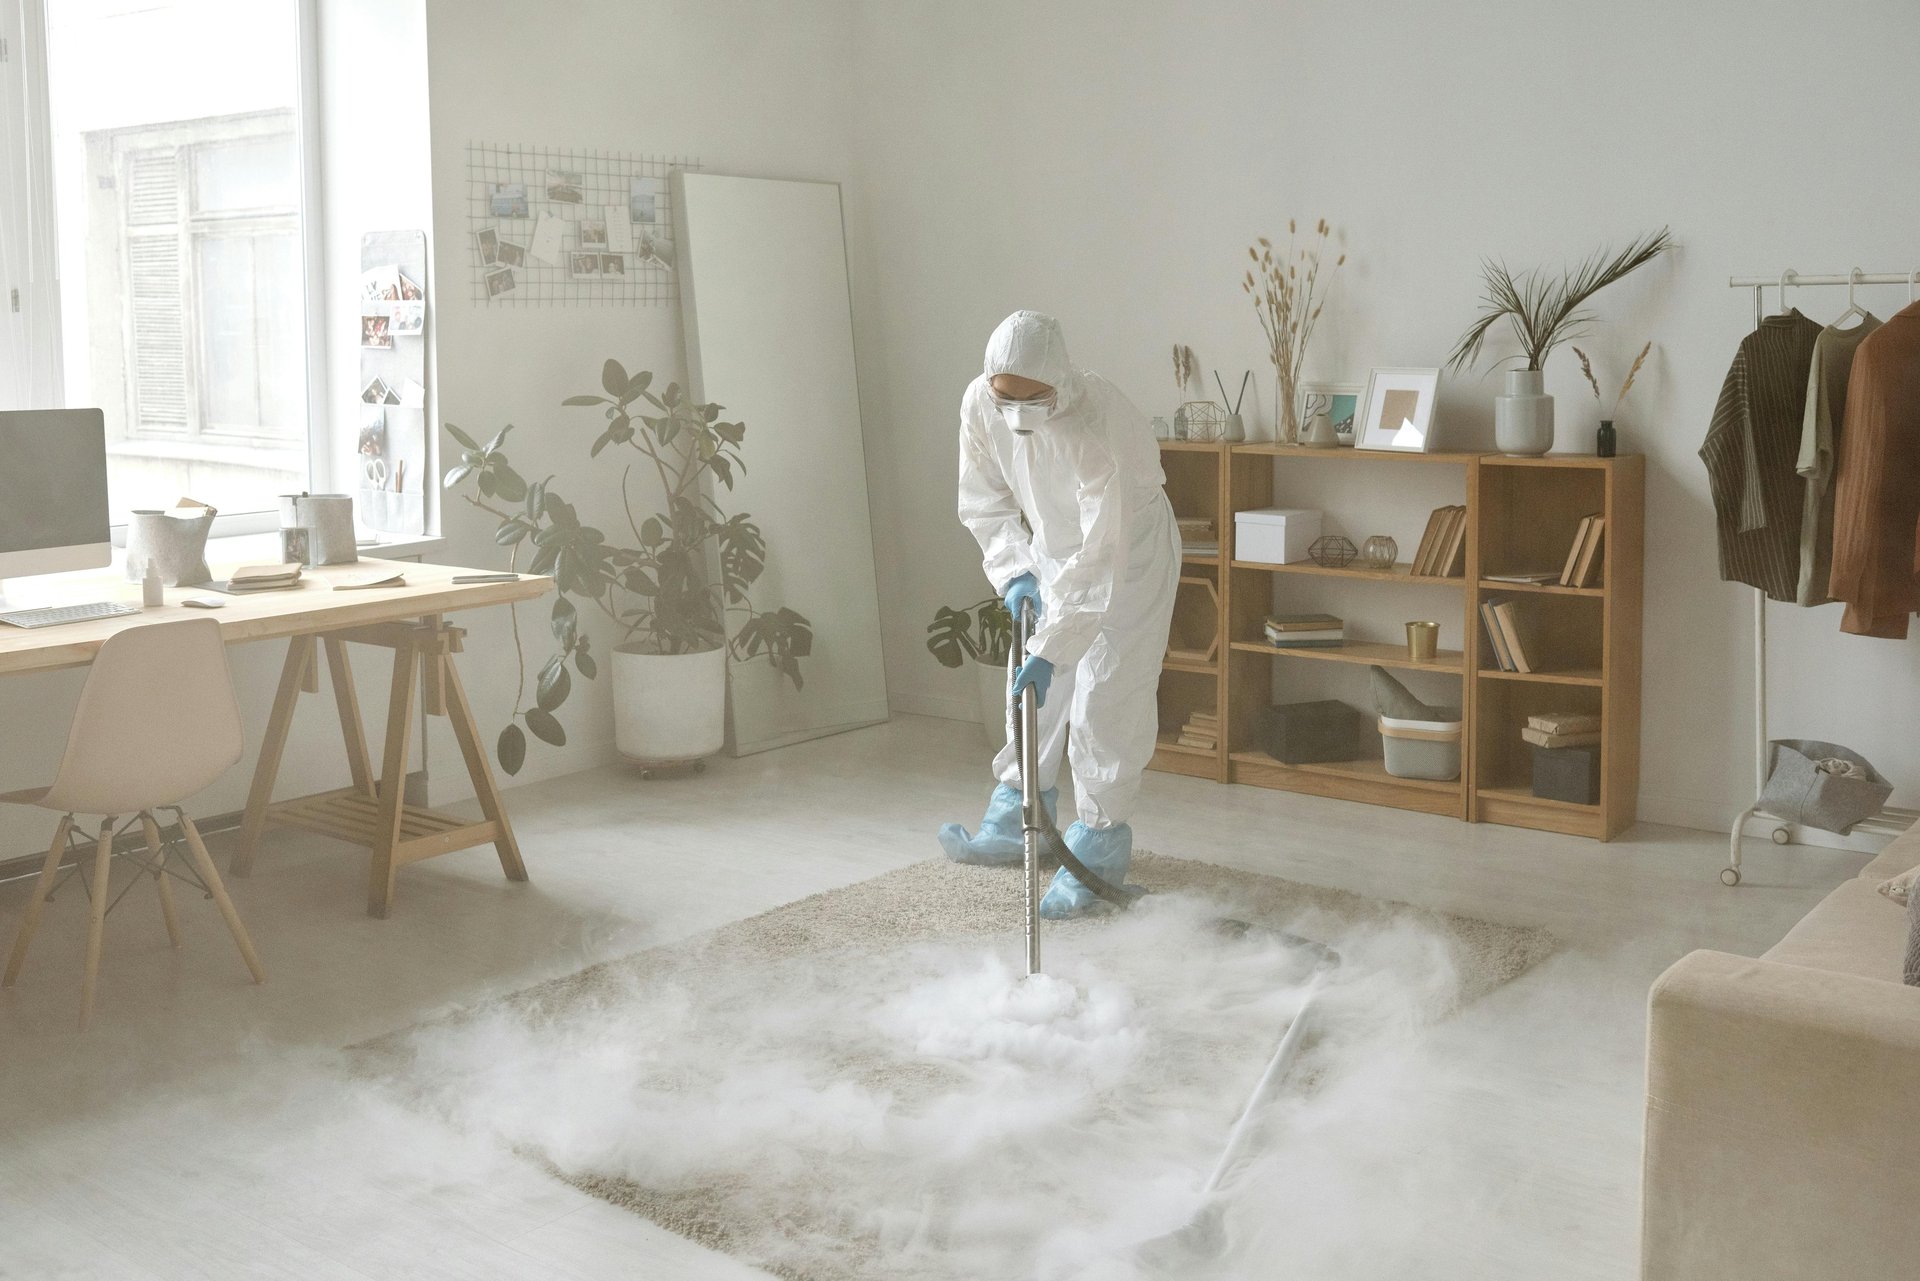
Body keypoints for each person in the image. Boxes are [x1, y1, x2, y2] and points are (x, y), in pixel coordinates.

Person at [936, 310, 1181, 918]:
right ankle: (1021, 810)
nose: (1016, 412)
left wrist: (1055, 647)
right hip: (1051, 548)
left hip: (1128, 556)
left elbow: (1101, 558)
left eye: (1033, 398)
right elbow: (984, 496)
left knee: (1107, 694)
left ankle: (1097, 848)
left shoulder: (1099, 426)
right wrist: (1014, 567)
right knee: (1031, 689)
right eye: (1005, 397)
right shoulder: (978, 404)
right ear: (990, 381)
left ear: (1059, 383)